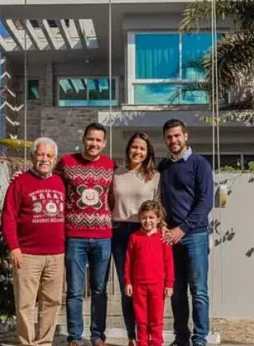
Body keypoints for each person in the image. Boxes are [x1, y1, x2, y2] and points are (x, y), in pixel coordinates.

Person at [0, 138, 66, 346]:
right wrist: (14, 247)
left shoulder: (61, 182)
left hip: (56, 254)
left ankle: (45, 342)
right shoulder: (19, 183)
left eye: (48, 155)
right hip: (27, 254)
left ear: (55, 159)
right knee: (25, 304)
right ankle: (27, 342)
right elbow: (8, 217)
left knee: (52, 302)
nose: (44, 159)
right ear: (32, 157)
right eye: (40, 154)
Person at [58, 122, 117, 346]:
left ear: (104, 143)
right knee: (74, 290)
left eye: (98, 140)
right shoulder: (66, 163)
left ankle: (97, 335)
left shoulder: (111, 166)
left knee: (99, 289)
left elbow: (113, 198)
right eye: (90, 139)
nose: (94, 144)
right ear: (84, 139)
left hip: (103, 237)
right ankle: (75, 336)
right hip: (74, 236)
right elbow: (54, 188)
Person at [158, 119, 213, 346]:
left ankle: (200, 339)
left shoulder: (200, 164)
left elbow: (205, 202)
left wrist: (183, 228)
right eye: (169, 137)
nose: (173, 140)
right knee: (177, 291)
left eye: (177, 136)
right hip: (170, 238)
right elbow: (158, 200)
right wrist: (163, 224)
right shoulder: (163, 167)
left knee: (198, 290)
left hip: (194, 236)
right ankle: (181, 338)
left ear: (185, 136)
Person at [112, 132, 160, 346]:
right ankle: (133, 336)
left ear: (147, 152)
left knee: (148, 287)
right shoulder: (116, 174)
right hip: (120, 232)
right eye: (134, 147)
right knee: (127, 286)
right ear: (128, 148)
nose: (137, 151)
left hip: (145, 232)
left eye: (142, 148)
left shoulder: (154, 177)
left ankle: (152, 335)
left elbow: (158, 208)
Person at [124, 200, 174, 346]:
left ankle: (157, 343)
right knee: (141, 319)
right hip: (139, 286)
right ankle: (143, 343)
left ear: (158, 219)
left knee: (156, 319)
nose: (148, 221)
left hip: (158, 285)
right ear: (140, 218)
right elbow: (128, 262)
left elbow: (169, 263)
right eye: (144, 217)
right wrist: (128, 281)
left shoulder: (163, 238)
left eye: (151, 217)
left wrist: (169, 284)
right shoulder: (134, 238)